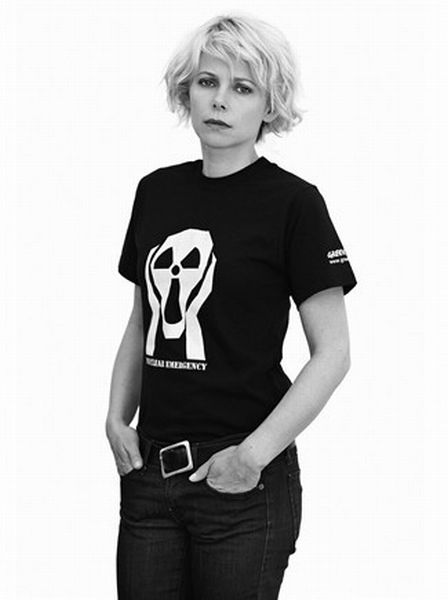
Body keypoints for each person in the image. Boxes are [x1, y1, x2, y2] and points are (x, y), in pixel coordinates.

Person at [105, 12, 358, 600]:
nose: (220, 100)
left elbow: (334, 353)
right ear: (186, 92)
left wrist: (252, 457)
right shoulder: (155, 192)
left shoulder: (294, 204)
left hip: (243, 484)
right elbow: (142, 320)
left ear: (269, 106)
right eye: (207, 82)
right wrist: (117, 418)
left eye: (243, 88)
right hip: (148, 478)